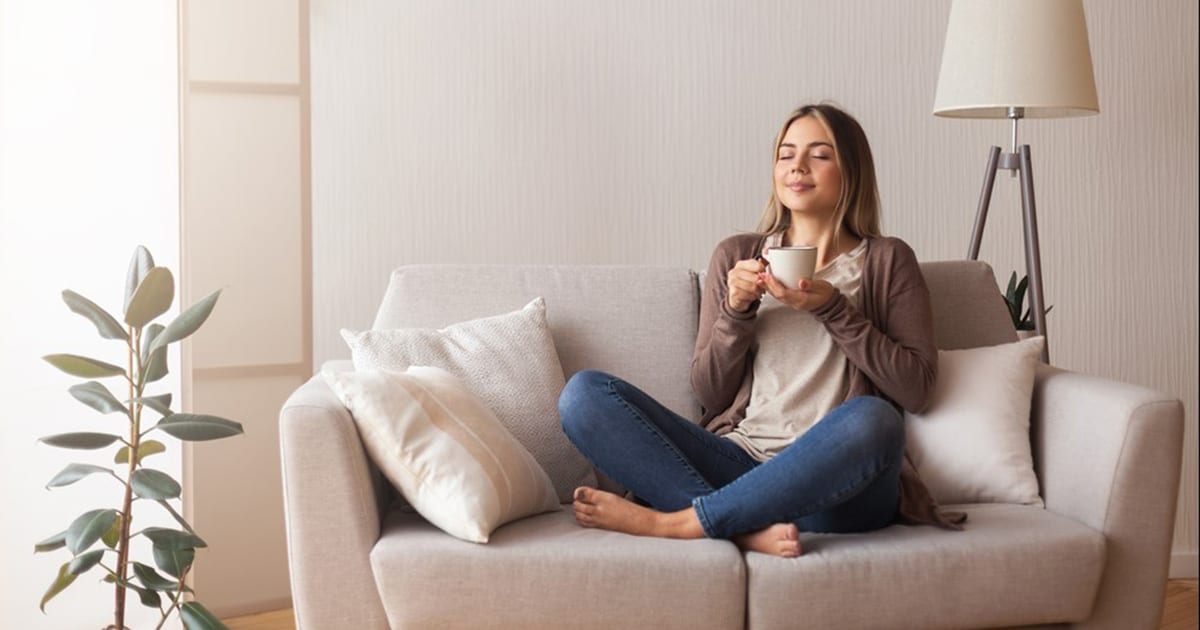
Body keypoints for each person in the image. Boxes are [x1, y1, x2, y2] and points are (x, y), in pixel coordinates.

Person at [558, 103, 963, 558]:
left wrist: (833, 308)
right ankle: (740, 528)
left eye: (819, 155)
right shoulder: (737, 256)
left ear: (852, 170)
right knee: (584, 395)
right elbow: (711, 394)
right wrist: (736, 310)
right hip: (740, 465)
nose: (797, 166)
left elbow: (916, 389)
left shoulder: (888, 260)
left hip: (838, 489)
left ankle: (679, 521)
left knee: (875, 419)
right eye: (786, 154)